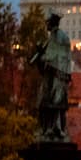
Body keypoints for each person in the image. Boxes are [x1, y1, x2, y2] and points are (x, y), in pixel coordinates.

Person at [30, 12, 72, 141]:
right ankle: (49, 129)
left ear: (52, 22)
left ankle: (53, 129)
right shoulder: (54, 38)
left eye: (47, 22)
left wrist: (41, 57)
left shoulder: (58, 38)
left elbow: (52, 57)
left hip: (56, 77)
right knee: (48, 103)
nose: (46, 24)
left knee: (54, 103)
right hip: (55, 76)